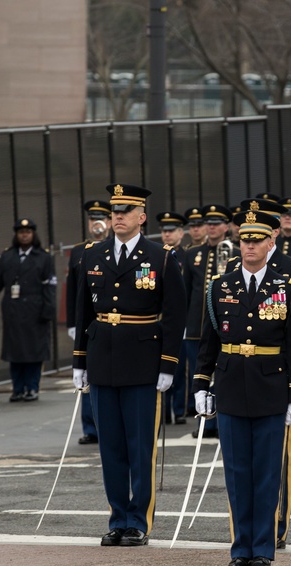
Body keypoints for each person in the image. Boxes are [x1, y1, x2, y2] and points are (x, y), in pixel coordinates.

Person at [72, 183, 187, 546]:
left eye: (125, 211)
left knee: (139, 447)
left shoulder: (161, 257)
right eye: (114, 211)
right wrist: (79, 360)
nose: (117, 217)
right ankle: (117, 517)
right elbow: (83, 310)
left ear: (141, 217)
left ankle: (138, 520)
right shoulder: (92, 255)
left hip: (142, 360)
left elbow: (174, 316)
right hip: (103, 357)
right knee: (111, 447)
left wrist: (168, 364)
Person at [192, 210, 291, 566]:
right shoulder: (219, 287)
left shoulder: (286, 287)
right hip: (229, 386)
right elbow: (207, 342)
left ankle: (262, 549)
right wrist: (199, 384)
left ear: (271, 243)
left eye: (257, 240)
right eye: (245, 240)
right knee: (237, 474)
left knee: (267, 473)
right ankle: (240, 548)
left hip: (270, 387)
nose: (250, 246)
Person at [0, 218, 56, 402]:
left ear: (33, 234)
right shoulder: (8, 256)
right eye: (21, 232)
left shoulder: (43, 257)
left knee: (34, 352)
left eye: (28, 232)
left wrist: (48, 310)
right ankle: (18, 388)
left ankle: (32, 388)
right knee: (16, 353)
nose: (24, 235)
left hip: (36, 312)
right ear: (16, 235)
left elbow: (50, 286)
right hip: (13, 311)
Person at [182, 204, 237, 437]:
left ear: (226, 226)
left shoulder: (235, 252)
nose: (212, 227)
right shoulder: (192, 254)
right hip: (196, 326)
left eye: (217, 223)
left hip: (226, 327)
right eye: (209, 224)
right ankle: (205, 421)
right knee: (200, 375)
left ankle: (221, 421)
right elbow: (185, 292)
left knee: (223, 376)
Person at [67, 200, 111, 444]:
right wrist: (72, 323)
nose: (97, 223)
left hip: (109, 319)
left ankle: (105, 425)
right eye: (93, 218)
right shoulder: (78, 251)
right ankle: (90, 428)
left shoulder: (114, 248)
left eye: (102, 218)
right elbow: (74, 290)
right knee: (84, 372)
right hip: (86, 321)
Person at [157, 211, 190, 425]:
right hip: (160, 318)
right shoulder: (159, 255)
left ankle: (179, 409)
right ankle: (163, 408)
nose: (167, 235)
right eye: (164, 231)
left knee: (179, 369)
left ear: (180, 233)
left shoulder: (188, 256)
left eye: (172, 231)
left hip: (182, 318)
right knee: (161, 366)